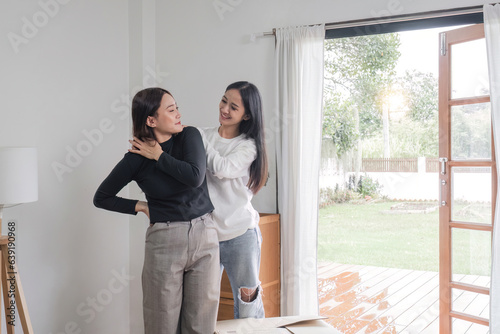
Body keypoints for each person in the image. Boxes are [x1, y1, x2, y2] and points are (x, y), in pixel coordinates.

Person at [93, 87, 219, 334]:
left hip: (205, 235)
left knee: (201, 326)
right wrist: (140, 206)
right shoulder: (136, 159)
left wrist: (159, 155)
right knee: (161, 324)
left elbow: (194, 176)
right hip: (165, 240)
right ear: (151, 120)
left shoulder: (189, 136)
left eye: (177, 108)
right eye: (171, 110)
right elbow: (102, 197)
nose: (178, 114)